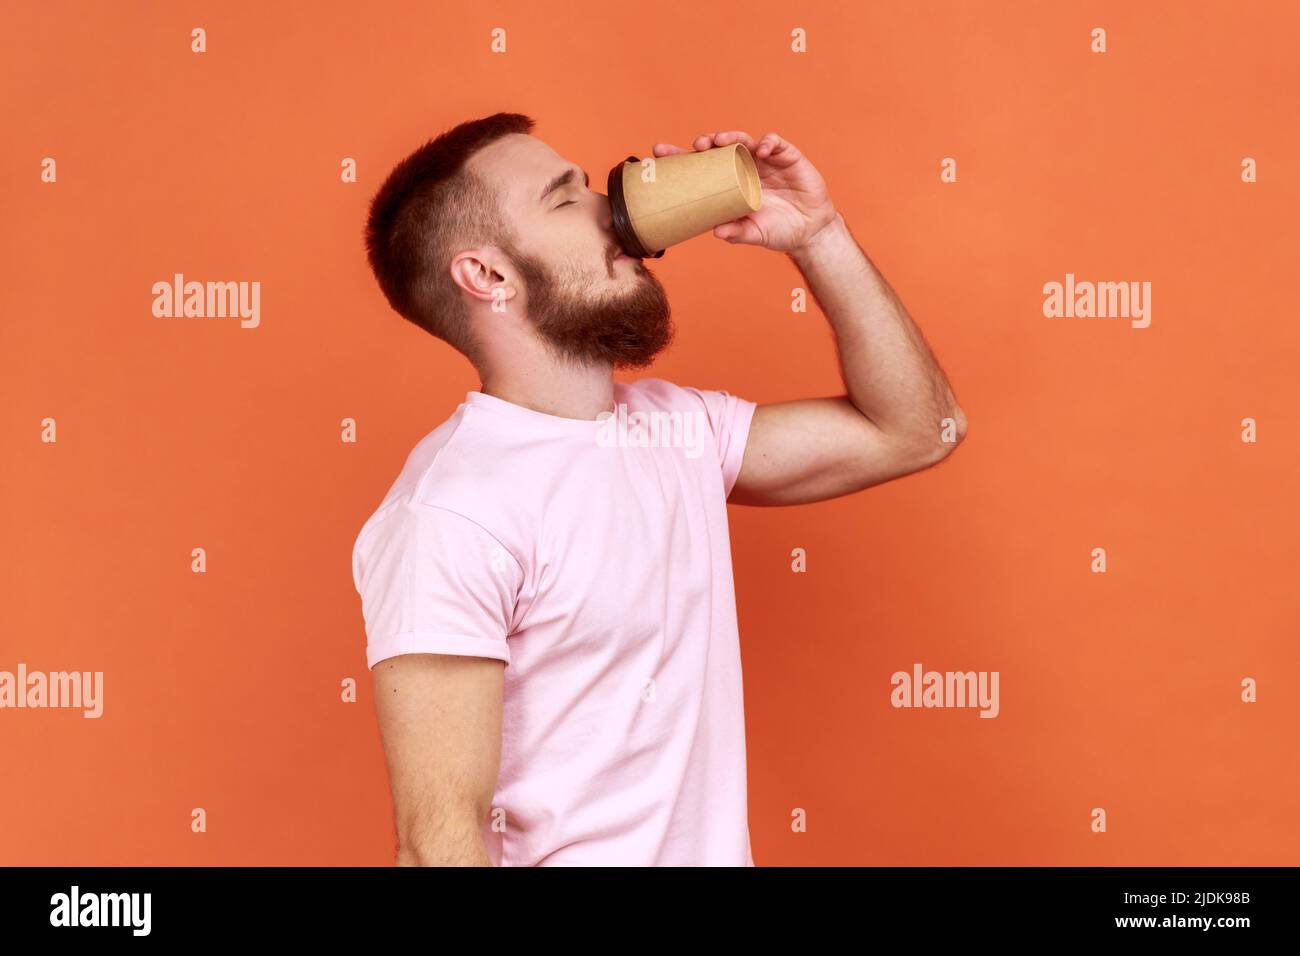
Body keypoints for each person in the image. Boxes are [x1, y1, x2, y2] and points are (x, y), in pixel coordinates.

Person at [350, 112, 967, 866]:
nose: (612, 207)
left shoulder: (681, 433)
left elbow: (919, 428)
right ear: (488, 275)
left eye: (588, 184)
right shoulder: (450, 513)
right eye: (562, 199)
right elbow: (437, 843)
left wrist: (819, 233)